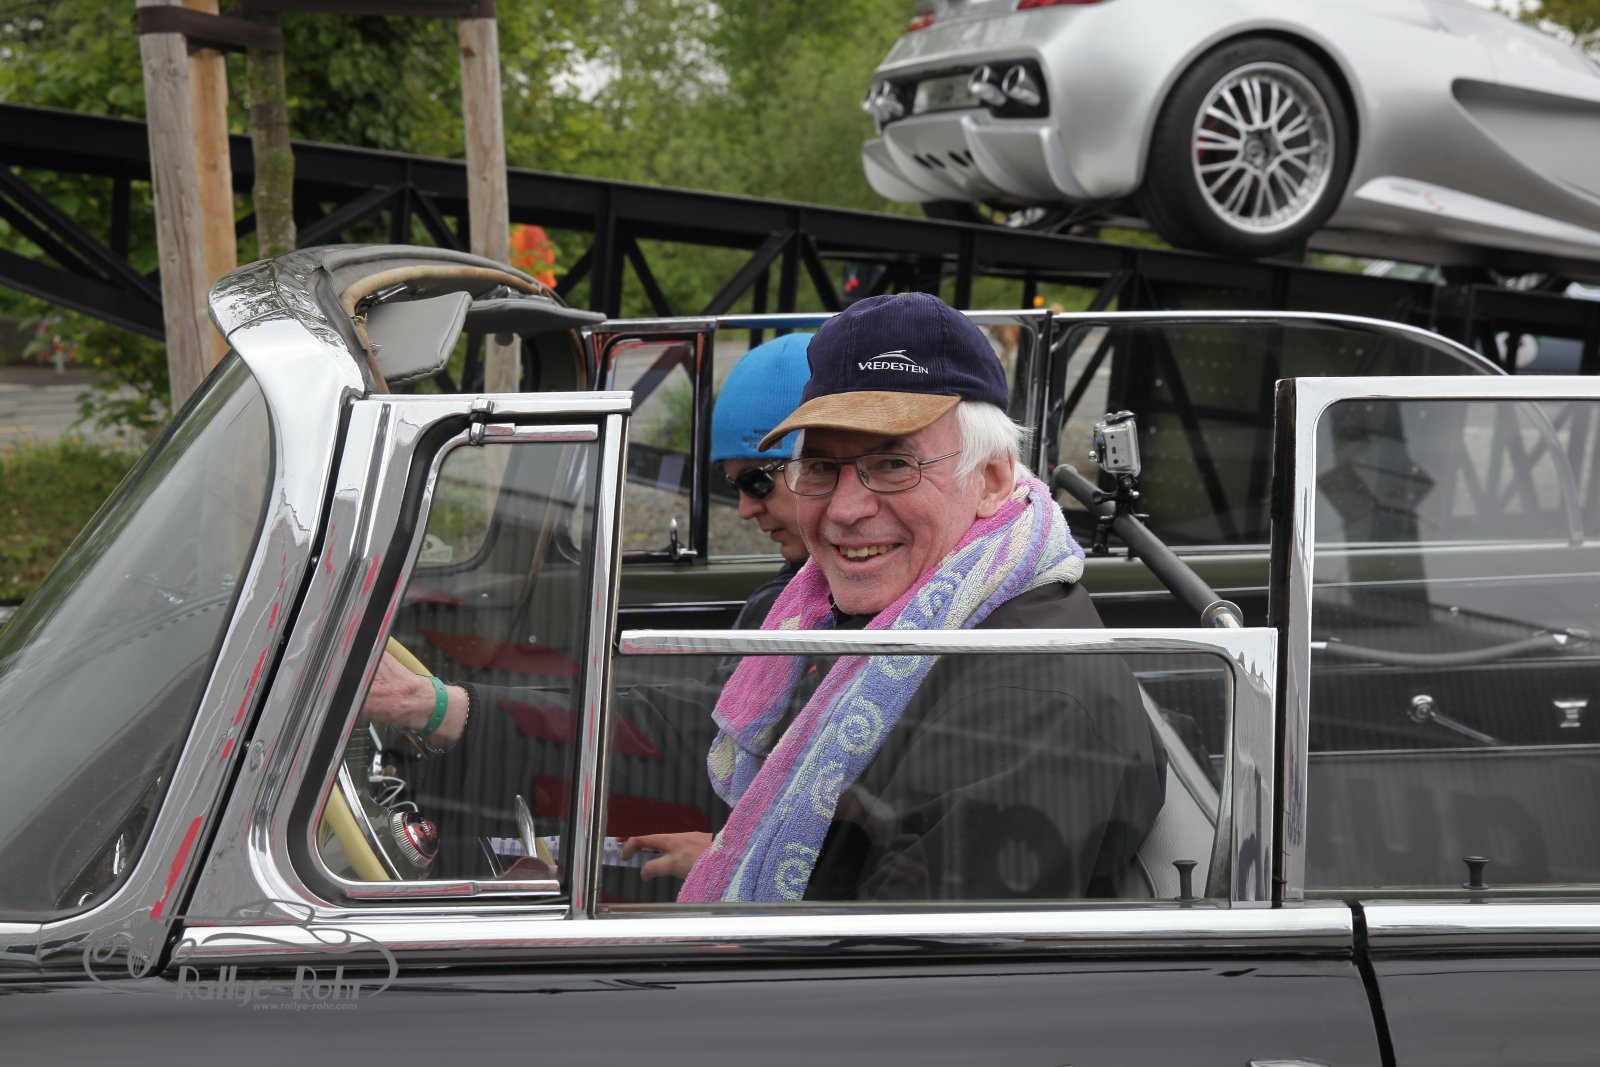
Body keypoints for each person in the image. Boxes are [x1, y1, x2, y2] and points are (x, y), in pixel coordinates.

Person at [663, 291, 1166, 902]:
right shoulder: (881, 617)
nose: (845, 510)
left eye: (894, 464)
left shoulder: (1029, 700)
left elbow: (917, 955)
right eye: (820, 467)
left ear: (991, 479)